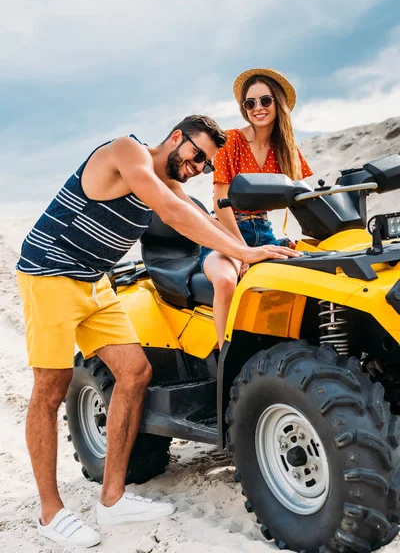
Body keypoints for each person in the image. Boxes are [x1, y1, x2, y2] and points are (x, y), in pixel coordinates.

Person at [16, 114, 302, 547]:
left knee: (134, 373)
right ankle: (50, 513)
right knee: (50, 388)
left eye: (206, 164)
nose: (198, 168)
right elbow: (172, 212)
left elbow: (196, 216)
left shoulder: (168, 183)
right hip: (51, 273)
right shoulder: (125, 152)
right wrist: (243, 250)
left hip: (94, 279)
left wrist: (246, 252)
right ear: (175, 137)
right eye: (196, 156)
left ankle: (112, 501)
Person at [199, 69, 312, 350]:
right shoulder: (231, 141)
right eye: (250, 103)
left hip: (263, 231)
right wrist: (241, 250)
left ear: (278, 103)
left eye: (265, 101)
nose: (257, 108)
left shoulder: (286, 148)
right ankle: (227, 354)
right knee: (226, 281)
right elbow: (219, 201)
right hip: (225, 232)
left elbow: (306, 195)